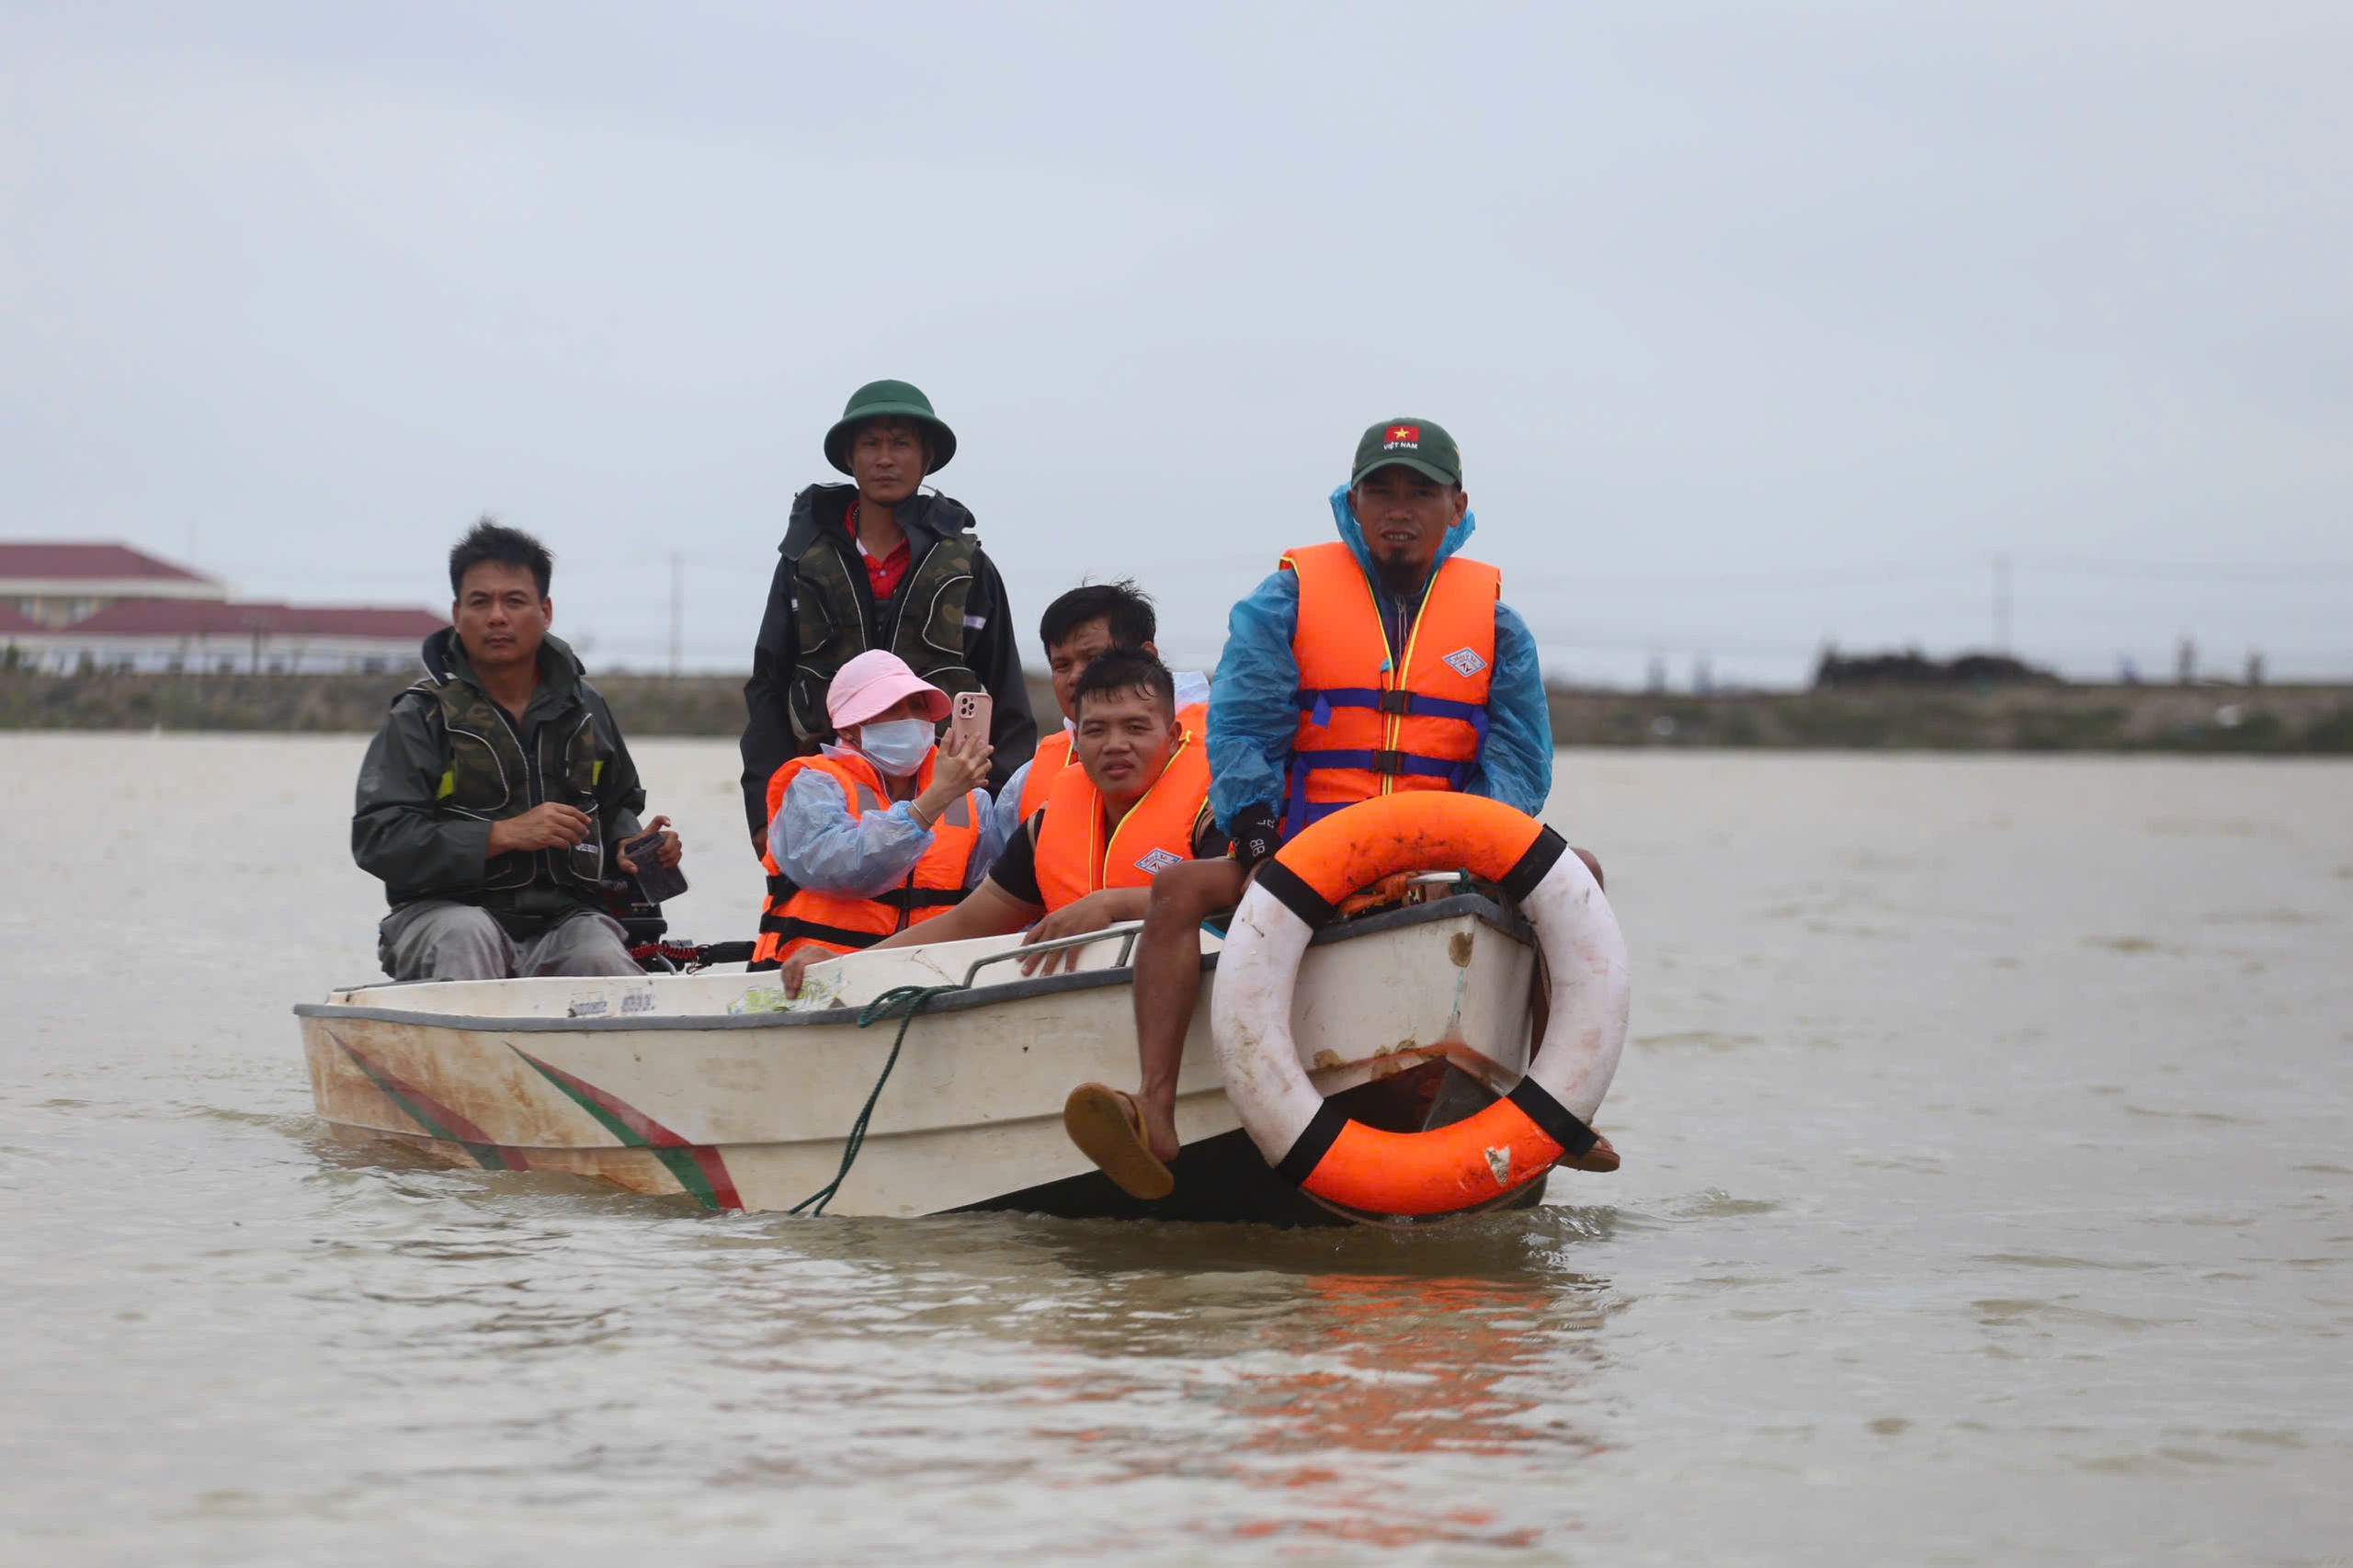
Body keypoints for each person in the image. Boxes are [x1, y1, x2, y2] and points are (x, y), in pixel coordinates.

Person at [1065, 417, 1606, 1199]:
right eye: (1380, 490)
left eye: (1419, 492)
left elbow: (1521, 757)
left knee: (1577, 877)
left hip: (1440, 852)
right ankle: (1156, 1107)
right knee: (1179, 889)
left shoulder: (1494, 623)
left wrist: (1466, 852)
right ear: (1351, 503)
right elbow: (1245, 719)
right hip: (1306, 855)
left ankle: (1559, 1104)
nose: (1398, 508)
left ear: (1455, 504)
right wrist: (1251, 825)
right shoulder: (1285, 598)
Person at [771, 650, 1219, 1002]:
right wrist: (844, 964)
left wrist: (1109, 905)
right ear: (1076, 740)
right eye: (1097, 730)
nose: (1116, 745)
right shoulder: (1045, 826)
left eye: (1136, 728)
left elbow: (1246, 888)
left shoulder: (1210, 806)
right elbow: (971, 921)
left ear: (1174, 734)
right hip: (1077, 1009)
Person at [354, 520, 684, 982]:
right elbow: (378, 839)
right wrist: (502, 835)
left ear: (544, 611)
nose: (496, 617)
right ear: (456, 613)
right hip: (442, 915)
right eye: (480, 602)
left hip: (566, 920)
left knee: (603, 958)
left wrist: (629, 842)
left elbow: (616, 803)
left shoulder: (586, 707)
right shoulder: (420, 716)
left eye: (514, 601)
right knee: (468, 935)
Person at [738, 379, 1036, 853]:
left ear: (926, 457)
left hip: (946, 801)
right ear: (850, 458)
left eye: (901, 443)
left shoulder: (969, 568)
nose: (885, 458)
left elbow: (1007, 698)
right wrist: (764, 812)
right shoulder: (801, 563)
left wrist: (1000, 813)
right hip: (825, 799)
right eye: (870, 444)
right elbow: (768, 690)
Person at [749, 650, 998, 969]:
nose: (909, 718)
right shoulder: (814, 785)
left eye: (917, 706)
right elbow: (845, 870)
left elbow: (992, 898)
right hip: (810, 979)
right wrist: (935, 799)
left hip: (925, 979)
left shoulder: (971, 799)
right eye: (891, 708)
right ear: (847, 727)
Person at [989, 580, 1209, 847]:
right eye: (1061, 665)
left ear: (1146, 657)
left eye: (1094, 659)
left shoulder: (1226, 754)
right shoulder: (1026, 780)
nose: (1076, 677)